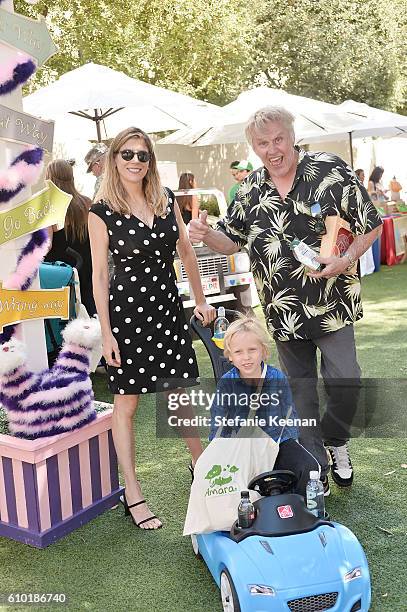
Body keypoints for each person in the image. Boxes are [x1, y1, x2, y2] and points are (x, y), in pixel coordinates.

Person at [189, 106, 382, 494]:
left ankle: (337, 441)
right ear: (253, 147)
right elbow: (233, 239)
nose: (272, 149)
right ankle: (316, 470)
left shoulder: (330, 170)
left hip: (333, 303)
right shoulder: (249, 190)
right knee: (300, 393)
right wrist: (206, 235)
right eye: (263, 143)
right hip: (283, 310)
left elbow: (371, 223)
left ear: (292, 135)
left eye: (278, 139)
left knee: (347, 380)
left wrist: (344, 259)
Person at [88, 126, 216, 530]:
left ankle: (200, 464)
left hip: (166, 309)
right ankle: (133, 491)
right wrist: (106, 333)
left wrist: (200, 299)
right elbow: (99, 275)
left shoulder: (165, 200)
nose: (135, 162)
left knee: (178, 392)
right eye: (127, 154)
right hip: (126, 315)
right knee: (127, 403)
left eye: (142, 155)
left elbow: (185, 251)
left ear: (151, 161)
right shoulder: (100, 211)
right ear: (114, 159)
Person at [209, 316, 320, 497]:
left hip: (277, 444)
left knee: (307, 466)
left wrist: (289, 446)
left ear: (263, 351)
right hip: (243, 447)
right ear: (230, 356)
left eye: (252, 350)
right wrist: (217, 450)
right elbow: (218, 419)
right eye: (238, 352)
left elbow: (289, 416)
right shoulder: (227, 383)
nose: (246, 357)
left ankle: (301, 508)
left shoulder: (276, 378)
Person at [45, 159, 96, 317]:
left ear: (50, 178)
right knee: (90, 317)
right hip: (88, 270)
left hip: (62, 274)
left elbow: (46, 244)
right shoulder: (87, 203)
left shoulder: (50, 206)